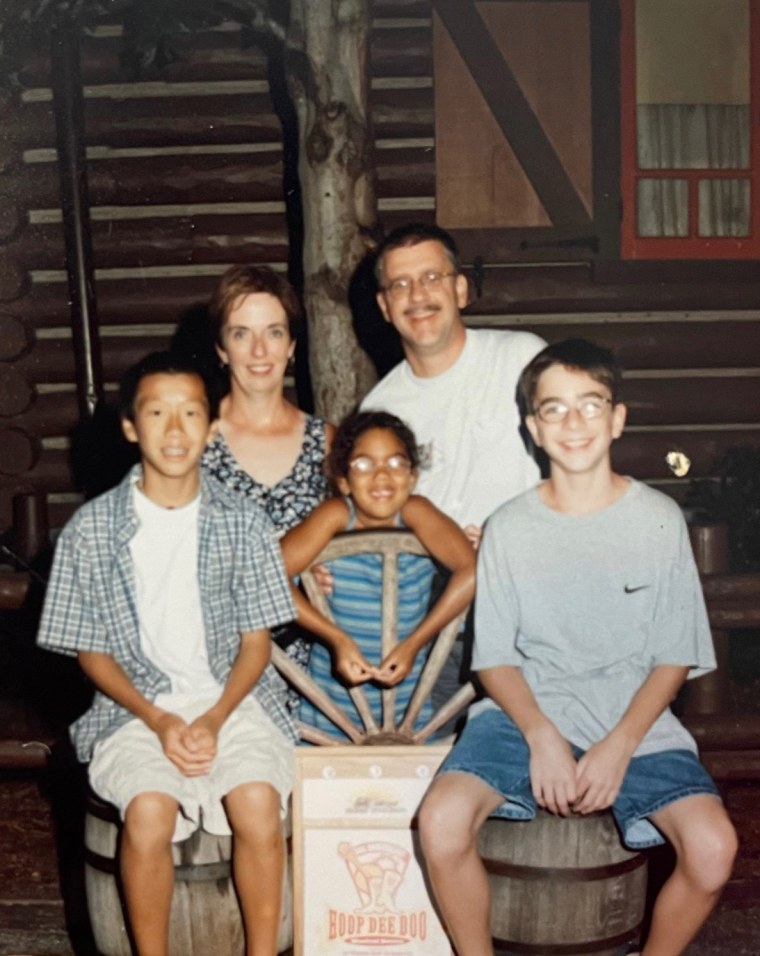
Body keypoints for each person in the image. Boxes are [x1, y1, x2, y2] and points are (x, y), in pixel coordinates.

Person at [417, 339, 738, 956]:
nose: (574, 423)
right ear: (533, 428)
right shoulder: (509, 526)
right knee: (441, 822)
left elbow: (674, 655)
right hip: (525, 712)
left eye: (591, 405)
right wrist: (541, 736)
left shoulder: (658, 518)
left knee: (714, 848)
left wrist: (618, 747)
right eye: (555, 410)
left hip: (634, 718)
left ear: (617, 418)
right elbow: (494, 659)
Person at [37, 352, 297, 956]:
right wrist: (158, 719)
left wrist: (212, 718)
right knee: (149, 812)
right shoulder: (91, 531)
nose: (175, 431)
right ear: (130, 427)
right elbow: (92, 652)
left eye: (190, 413)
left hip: (234, 701)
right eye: (157, 413)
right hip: (133, 708)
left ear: (212, 427)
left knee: (258, 803)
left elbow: (256, 645)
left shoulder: (243, 522)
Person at [358, 223, 546, 718]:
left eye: (431, 278)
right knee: (439, 756)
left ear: (460, 289)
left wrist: (515, 533)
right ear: (384, 306)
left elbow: (578, 469)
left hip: (534, 601)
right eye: (400, 285)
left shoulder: (521, 359)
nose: (417, 296)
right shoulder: (380, 410)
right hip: (441, 619)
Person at [280, 410, 476, 741]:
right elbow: (268, 577)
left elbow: (471, 570)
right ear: (343, 480)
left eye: (396, 463)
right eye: (364, 464)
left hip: (408, 712)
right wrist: (335, 638)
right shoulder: (336, 514)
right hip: (329, 710)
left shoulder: (416, 511)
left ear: (413, 476)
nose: (382, 475)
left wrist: (415, 643)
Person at [202, 265, 335, 707]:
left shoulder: (329, 444)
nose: (259, 350)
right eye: (241, 334)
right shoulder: (192, 443)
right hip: (219, 662)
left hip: (319, 665)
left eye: (274, 332)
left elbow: (363, 545)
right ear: (222, 349)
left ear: (292, 345)